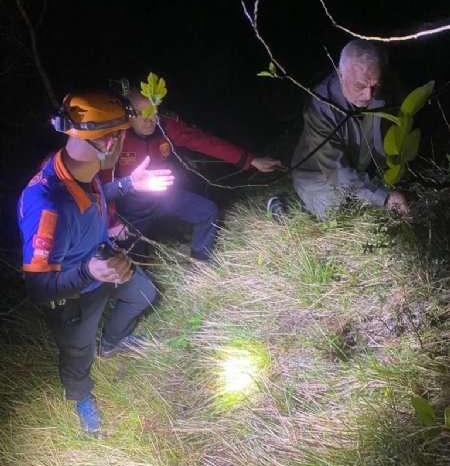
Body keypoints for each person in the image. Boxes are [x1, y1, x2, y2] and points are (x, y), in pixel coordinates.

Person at [17, 92, 174, 437]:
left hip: (101, 259)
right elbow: (38, 288)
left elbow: (94, 197)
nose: (124, 140)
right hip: (72, 295)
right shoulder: (48, 205)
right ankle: (81, 398)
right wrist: (91, 271)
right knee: (77, 353)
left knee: (144, 293)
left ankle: (115, 342)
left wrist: (130, 184)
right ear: (109, 141)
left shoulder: (76, 166)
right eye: (121, 134)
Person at [100, 87, 282, 260]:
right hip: (131, 209)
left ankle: (200, 262)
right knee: (132, 258)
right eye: (140, 114)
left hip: (164, 197)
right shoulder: (118, 138)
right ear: (128, 115)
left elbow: (204, 142)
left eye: (152, 111)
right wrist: (112, 220)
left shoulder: (166, 127)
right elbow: (102, 185)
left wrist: (251, 160)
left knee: (207, 212)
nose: (149, 120)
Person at [286, 39, 408, 220]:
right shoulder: (319, 106)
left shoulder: (385, 92)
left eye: (375, 85)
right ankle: (282, 206)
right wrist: (384, 198)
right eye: (359, 86)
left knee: (369, 202)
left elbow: (390, 141)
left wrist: (391, 182)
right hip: (318, 173)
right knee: (338, 213)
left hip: (356, 166)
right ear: (340, 74)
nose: (368, 95)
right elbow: (336, 171)